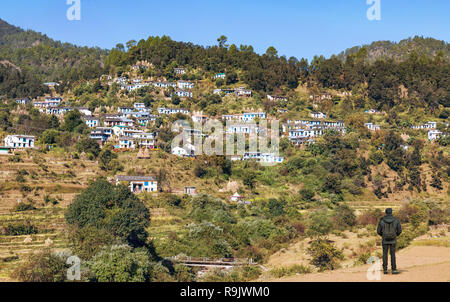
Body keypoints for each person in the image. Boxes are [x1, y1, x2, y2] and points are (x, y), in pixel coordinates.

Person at [377, 208, 402, 274]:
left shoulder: (382, 220)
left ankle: (385, 269)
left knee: (385, 254)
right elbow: (399, 230)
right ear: (391, 212)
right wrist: (395, 235)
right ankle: (393, 269)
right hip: (393, 239)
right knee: (393, 254)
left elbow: (378, 231)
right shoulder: (396, 220)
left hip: (384, 240)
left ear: (385, 212)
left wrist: (383, 235)